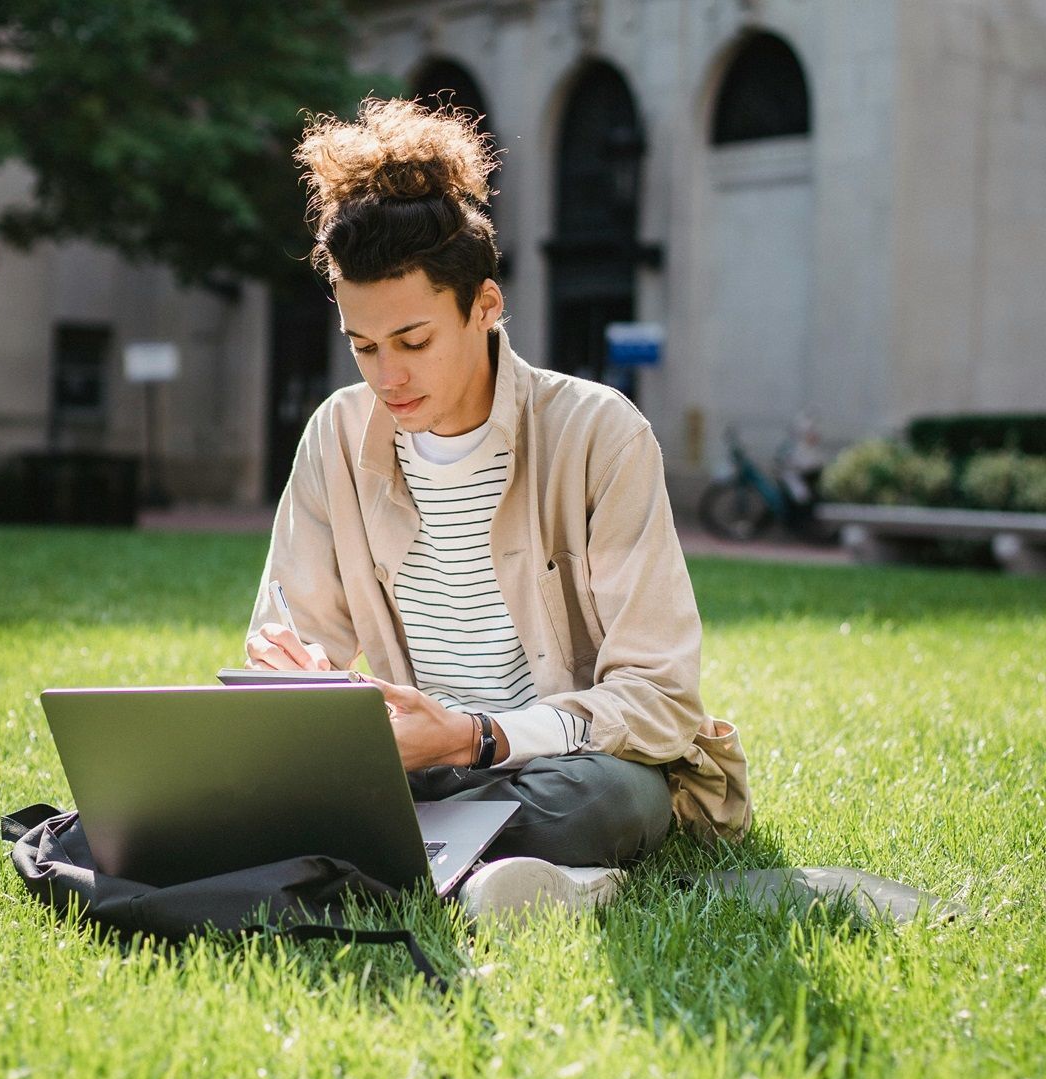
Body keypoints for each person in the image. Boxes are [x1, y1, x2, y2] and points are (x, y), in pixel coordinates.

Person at [245, 98, 751, 918]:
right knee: (247, 778)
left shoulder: (599, 432)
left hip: (565, 763)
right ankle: (485, 867)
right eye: (363, 347)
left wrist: (476, 736)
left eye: (413, 342)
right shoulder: (336, 434)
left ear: (485, 306)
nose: (387, 376)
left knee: (614, 803)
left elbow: (660, 698)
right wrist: (307, 696)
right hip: (412, 765)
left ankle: (395, 850)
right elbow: (283, 640)